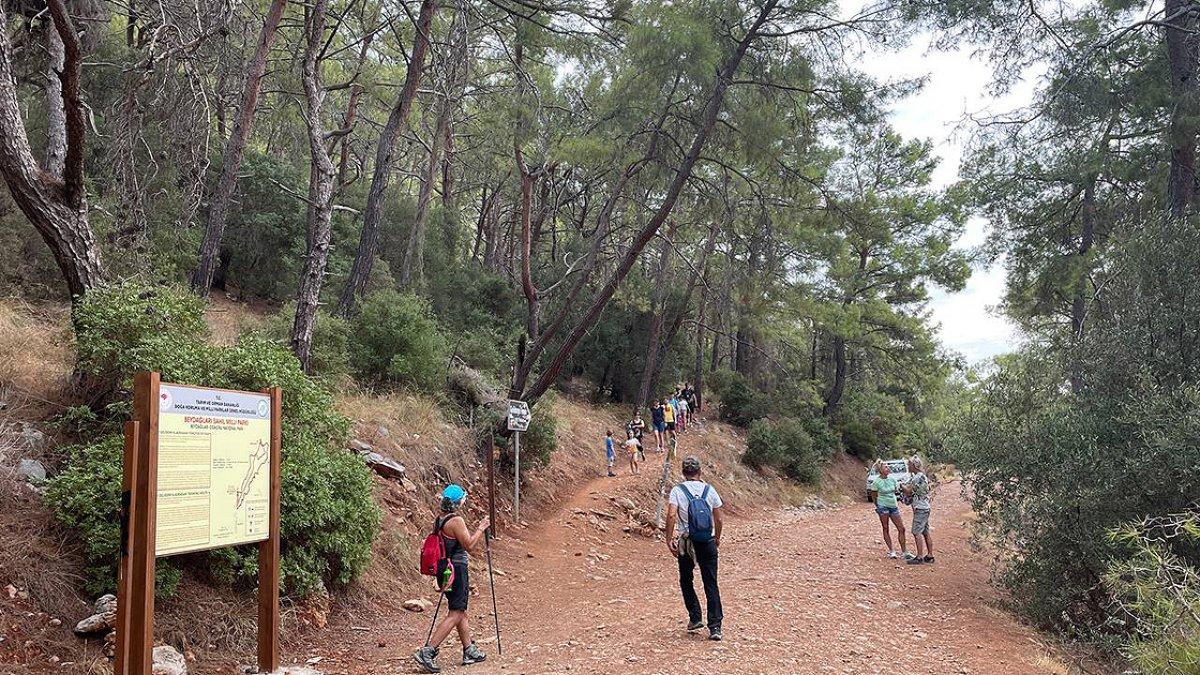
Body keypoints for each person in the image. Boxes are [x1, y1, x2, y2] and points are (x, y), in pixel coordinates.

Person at [413, 485, 491, 673]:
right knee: (456, 612)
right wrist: (481, 529)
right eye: (463, 498)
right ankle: (428, 650)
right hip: (456, 569)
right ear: (458, 502)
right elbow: (469, 545)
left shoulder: (439, 519)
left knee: (459, 609)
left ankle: (469, 650)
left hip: (443, 569)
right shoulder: (456, 520)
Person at [665, 456, 724, 641]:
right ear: (700, 472)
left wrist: (668, 539)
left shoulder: (677, 490)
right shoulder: (709, 490)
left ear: (684, 473)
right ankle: (715, 628)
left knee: (686, 580)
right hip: (707, 540)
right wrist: (717, 538)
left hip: (687, 541)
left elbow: (671, 515)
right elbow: (719, 519)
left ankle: (696, 617)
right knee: (711, 582)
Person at [868, 461, 911, 561]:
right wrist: (878, 506)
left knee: (902, 528)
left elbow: (898, 489)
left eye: (888, 467)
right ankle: (892, 551)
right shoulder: (876, 482)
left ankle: (904, 551)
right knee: (885, 527)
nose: (888, 468)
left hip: (893, 506)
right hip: (883, 506)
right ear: (880, 470)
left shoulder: (892, 479)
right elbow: (874, 496)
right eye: (885, 467)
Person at [902, 455, 935, 565]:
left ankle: (919, 557)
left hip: (920, 508)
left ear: (914, 465)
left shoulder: (917, 477)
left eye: (909, 464)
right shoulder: (922, 476)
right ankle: (930, 555)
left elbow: (908, 491)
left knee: (916, 532)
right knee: (925, 531)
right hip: (925, 507)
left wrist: (900, 486)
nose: (908, 466)